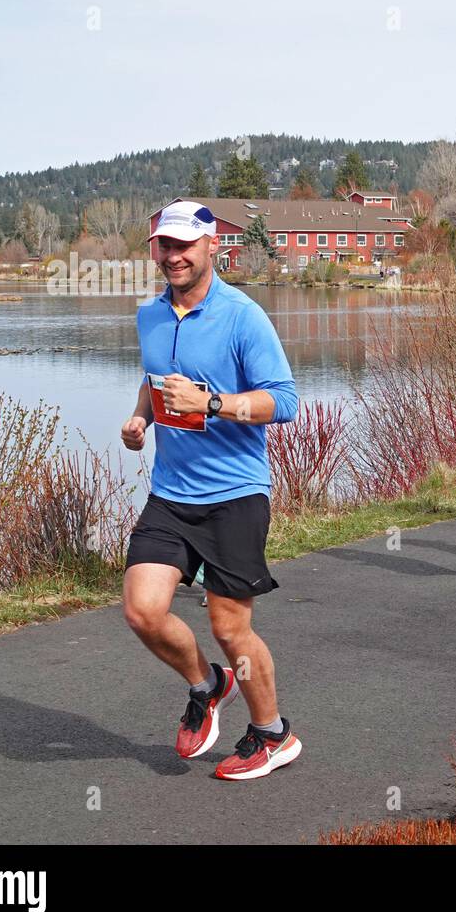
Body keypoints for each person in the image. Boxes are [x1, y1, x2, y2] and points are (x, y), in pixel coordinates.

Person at [121, 200, 302, 781]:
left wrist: (214, 404)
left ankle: (274, 734)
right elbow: (154, 377)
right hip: (171, 493)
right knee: (143, 610)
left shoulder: (243, 316)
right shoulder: (150, 315)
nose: (172, 256)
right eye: (164, 245)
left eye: (184, 246)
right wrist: (140, 419)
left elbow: (286, 402)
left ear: (211, 246)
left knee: (229, 627)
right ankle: (208, 685)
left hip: (234, 493)